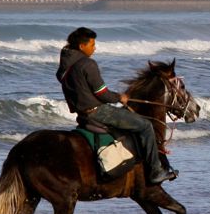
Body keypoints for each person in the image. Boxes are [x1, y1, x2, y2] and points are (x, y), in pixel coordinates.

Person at [56, 26, 177, 186]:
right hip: (98, 111)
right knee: (146, 125)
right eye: (92, 45)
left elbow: (81, 90)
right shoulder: (87, 64)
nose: (95, 48)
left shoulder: (64, 68)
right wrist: (120, 97)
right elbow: (102, 94)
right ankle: (155, 171)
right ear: (81, 46)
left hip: (82, 113)